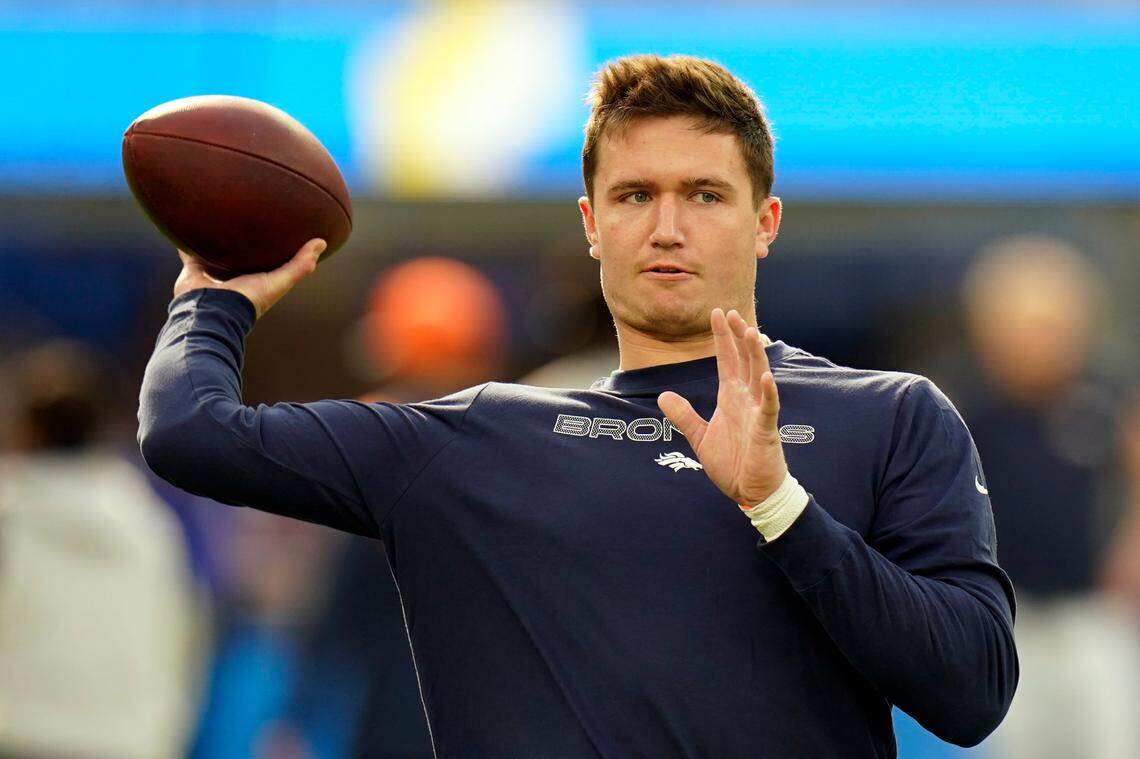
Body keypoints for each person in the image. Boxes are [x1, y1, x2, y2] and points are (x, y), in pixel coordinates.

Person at [139, 55, 1017, 757]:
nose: (667, 226)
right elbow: (191, 433)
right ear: (593, 222)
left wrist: (779, 505)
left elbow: (972, 692)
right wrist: (215, 294)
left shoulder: (892, 415)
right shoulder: (476, 435)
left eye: (705, 195)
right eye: (636, 196)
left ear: (766, 221)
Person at [932, 236, 1140, 759]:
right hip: (1006, 617)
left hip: (1096, 615)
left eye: (1052, 326)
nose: (1039, 341)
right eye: (1024, 325)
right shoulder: (959, 410)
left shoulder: (1104, 402)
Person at [0, 341, 205, 759]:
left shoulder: (9, 512)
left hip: (16, 730)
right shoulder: (149, 524)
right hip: (125, 741)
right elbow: (184, 639)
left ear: (28, 428)